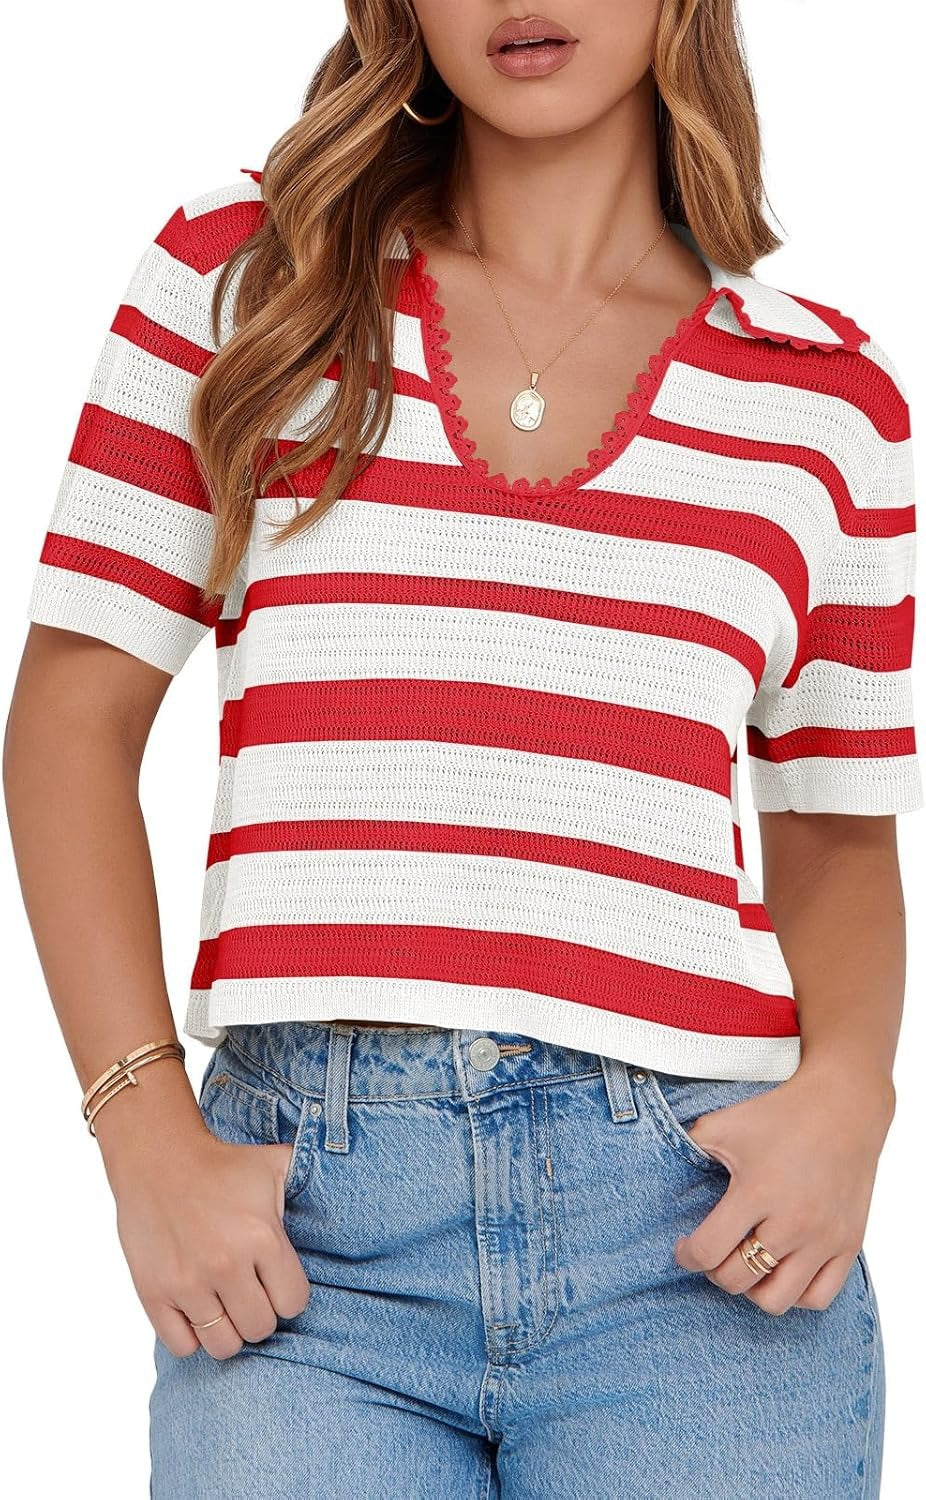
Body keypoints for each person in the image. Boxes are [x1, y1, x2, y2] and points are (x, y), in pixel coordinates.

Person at [5, 2, 920, 1495]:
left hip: (696, 1241)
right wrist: (141, 1128)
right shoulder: (250, 280)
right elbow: (69, 722)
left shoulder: (825, 398)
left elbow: (834, 828)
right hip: (307, 1248)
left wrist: (852, 1100)